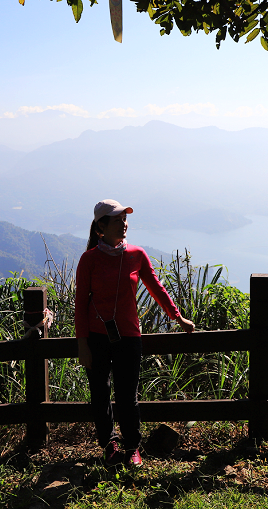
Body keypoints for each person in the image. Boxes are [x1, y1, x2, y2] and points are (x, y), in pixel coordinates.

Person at [74, 199, 195, 467]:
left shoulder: (136, 254)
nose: (124, 224)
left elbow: (156, 288)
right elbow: (80, 303)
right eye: (117, 220)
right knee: (100, 394)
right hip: (96, 336)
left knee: (127, 395)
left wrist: (177, 317)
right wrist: (82, 344)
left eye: (124, 219)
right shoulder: (89, 259)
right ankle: (109, 445)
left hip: (129, 336)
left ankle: (132, 447)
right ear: (101, 227)